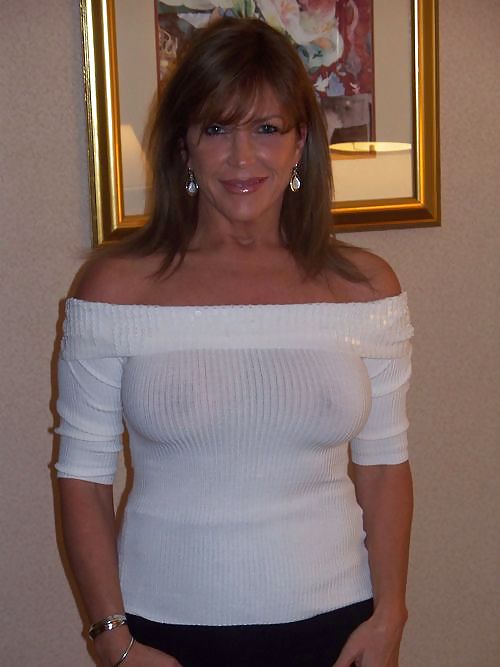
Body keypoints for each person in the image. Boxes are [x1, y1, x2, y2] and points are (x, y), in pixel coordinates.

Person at [55, 17, 413, 667]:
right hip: (164, 636)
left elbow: (385, 465)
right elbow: (83, 474)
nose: (242, 158)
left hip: (338, 631)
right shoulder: (116, 290)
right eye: (217, 129)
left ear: (301, 142)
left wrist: (390, 615)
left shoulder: (364, 289)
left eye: (267, 128)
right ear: (184, 147)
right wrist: (111, 638)